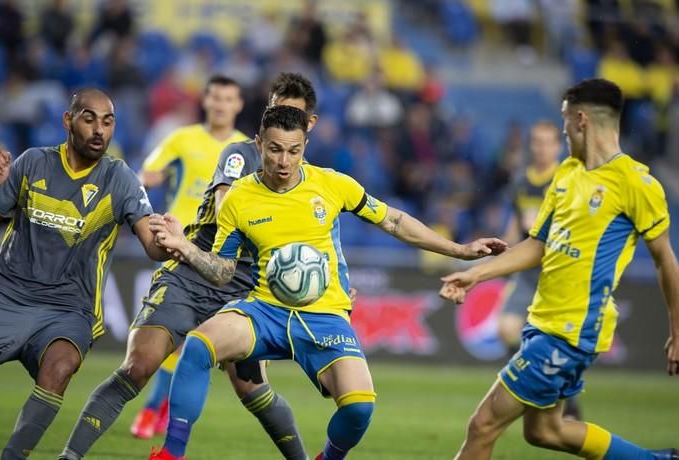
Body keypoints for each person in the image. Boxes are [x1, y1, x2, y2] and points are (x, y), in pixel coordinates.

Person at [148, 105, 507, 460]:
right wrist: (184, 248)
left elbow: (393, 221)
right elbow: (223, 271)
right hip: (266, 309)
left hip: (325, 315)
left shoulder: (332, 184)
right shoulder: (239, 197)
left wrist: (458, 250)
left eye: (294, 150)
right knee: (197, 347)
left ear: (305, 145)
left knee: (359, 409)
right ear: (259, 145)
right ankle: (171, 453)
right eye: (274, 150)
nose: (284, 161)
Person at [59, 73, 320, 460]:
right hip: (194, 271)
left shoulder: (311, 179)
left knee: (253, 390)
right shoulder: (238, 155)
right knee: (139, 365)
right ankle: (70, 456)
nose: (282, 122)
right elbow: (225, 208)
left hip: (244, 288)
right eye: (275, 111)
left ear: (309, 126)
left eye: (292, 116)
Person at [440, 78, 679, 460]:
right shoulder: (567, 173)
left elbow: (665, 259)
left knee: (482, 425)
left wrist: (677, 331)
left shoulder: (635, 182)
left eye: (565, 120)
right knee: (545, 431)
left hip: (570, 330)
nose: (563, 130)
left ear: (582, 119)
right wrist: (476, 273)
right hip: (542, 321)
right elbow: (538, 245)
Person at [0, 88, 169, 460]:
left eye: (108, 121)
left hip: (69, 308)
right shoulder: (32, 163)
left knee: (61, 366)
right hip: (8, 295)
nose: (100, 130)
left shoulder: (119, 178)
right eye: (90, 119)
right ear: (68, 121)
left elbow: (151, 244)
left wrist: (168, 240)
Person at [131, 74, 247, 439]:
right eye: (215, 97)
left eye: (228, 98)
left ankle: (161, 409)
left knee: (200, 340)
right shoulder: (182, 139)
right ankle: (155, 410)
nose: (221, 104)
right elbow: (143, 177)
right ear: (206, 102)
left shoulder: (248, 148)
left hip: (226, 253)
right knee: (175, 332)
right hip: (182, 243)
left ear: (238, 104)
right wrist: (142, 211)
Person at [498, 121, 581, 419]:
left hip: (557, 271)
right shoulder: (521, 181)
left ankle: (570, 405)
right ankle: (526, 388)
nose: (541, 147)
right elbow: (514, 224)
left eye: (547, 142)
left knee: (557, 343)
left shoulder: (567, 179)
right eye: (536, 141)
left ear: (558, 146)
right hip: (527, 267)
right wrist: (499, 251)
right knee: (507, 328)